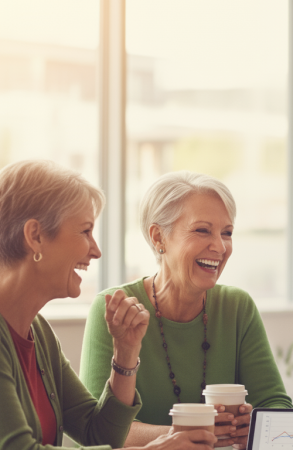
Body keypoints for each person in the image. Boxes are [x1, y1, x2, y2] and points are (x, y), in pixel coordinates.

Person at [0, 160, 217, 450]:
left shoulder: (37, 333)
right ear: (36, 236)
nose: (96, 250)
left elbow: (98, 434)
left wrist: (125, 353)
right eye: (85, 231)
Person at [80, 171, 293, 448]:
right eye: (202, 230)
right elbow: (100, 431)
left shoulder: (237, 307)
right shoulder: (116, 309)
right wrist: (189, 434)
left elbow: (277, 405)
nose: (219, 246)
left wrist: (255, 424)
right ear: (159, 238)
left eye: (227, 233)